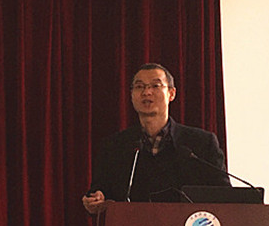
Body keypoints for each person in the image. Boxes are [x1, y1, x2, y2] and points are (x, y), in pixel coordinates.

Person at [82, 63, 230, 214]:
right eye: (139, 87)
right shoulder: (114, 146)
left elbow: (224, 197)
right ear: (131, 95)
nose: (147, 92)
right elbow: (99, 192)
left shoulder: (201, 144)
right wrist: (96, 200)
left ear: (171, 93)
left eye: (155, 86)